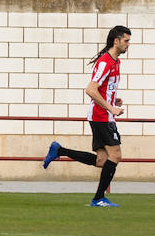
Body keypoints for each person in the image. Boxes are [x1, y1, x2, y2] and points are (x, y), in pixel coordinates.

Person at [41, 25, 130, 208]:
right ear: (116, 41)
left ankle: (60, 151)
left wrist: (113, 100)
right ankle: (98, 199)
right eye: (126, 41)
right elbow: (90, 89)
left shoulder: (115, 61)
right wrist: (111, 108)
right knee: (116, 155)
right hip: (101, 116)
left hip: (103, 114)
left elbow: (102, 89)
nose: (128, 44)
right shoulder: (106, 62)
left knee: (102, 160)